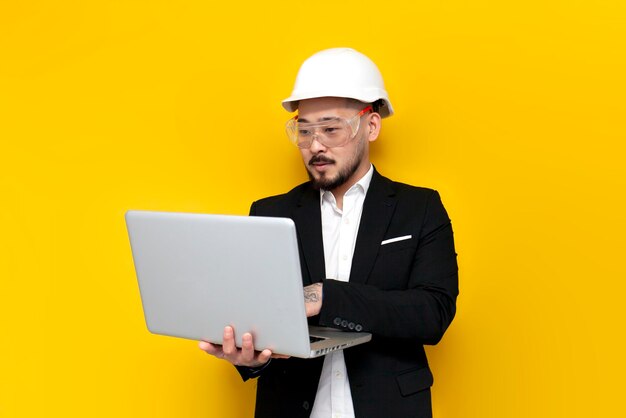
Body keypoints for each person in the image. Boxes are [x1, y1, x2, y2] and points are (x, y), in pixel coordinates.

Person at [199, 47, 459, 418]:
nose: (315, 146)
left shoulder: (420, 208)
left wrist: (327, 296)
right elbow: (259, 319)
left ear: (370, 126)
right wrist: (249, 358)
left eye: (331, 129)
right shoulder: (270, 213)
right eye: (304, 131)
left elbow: (433, 313)